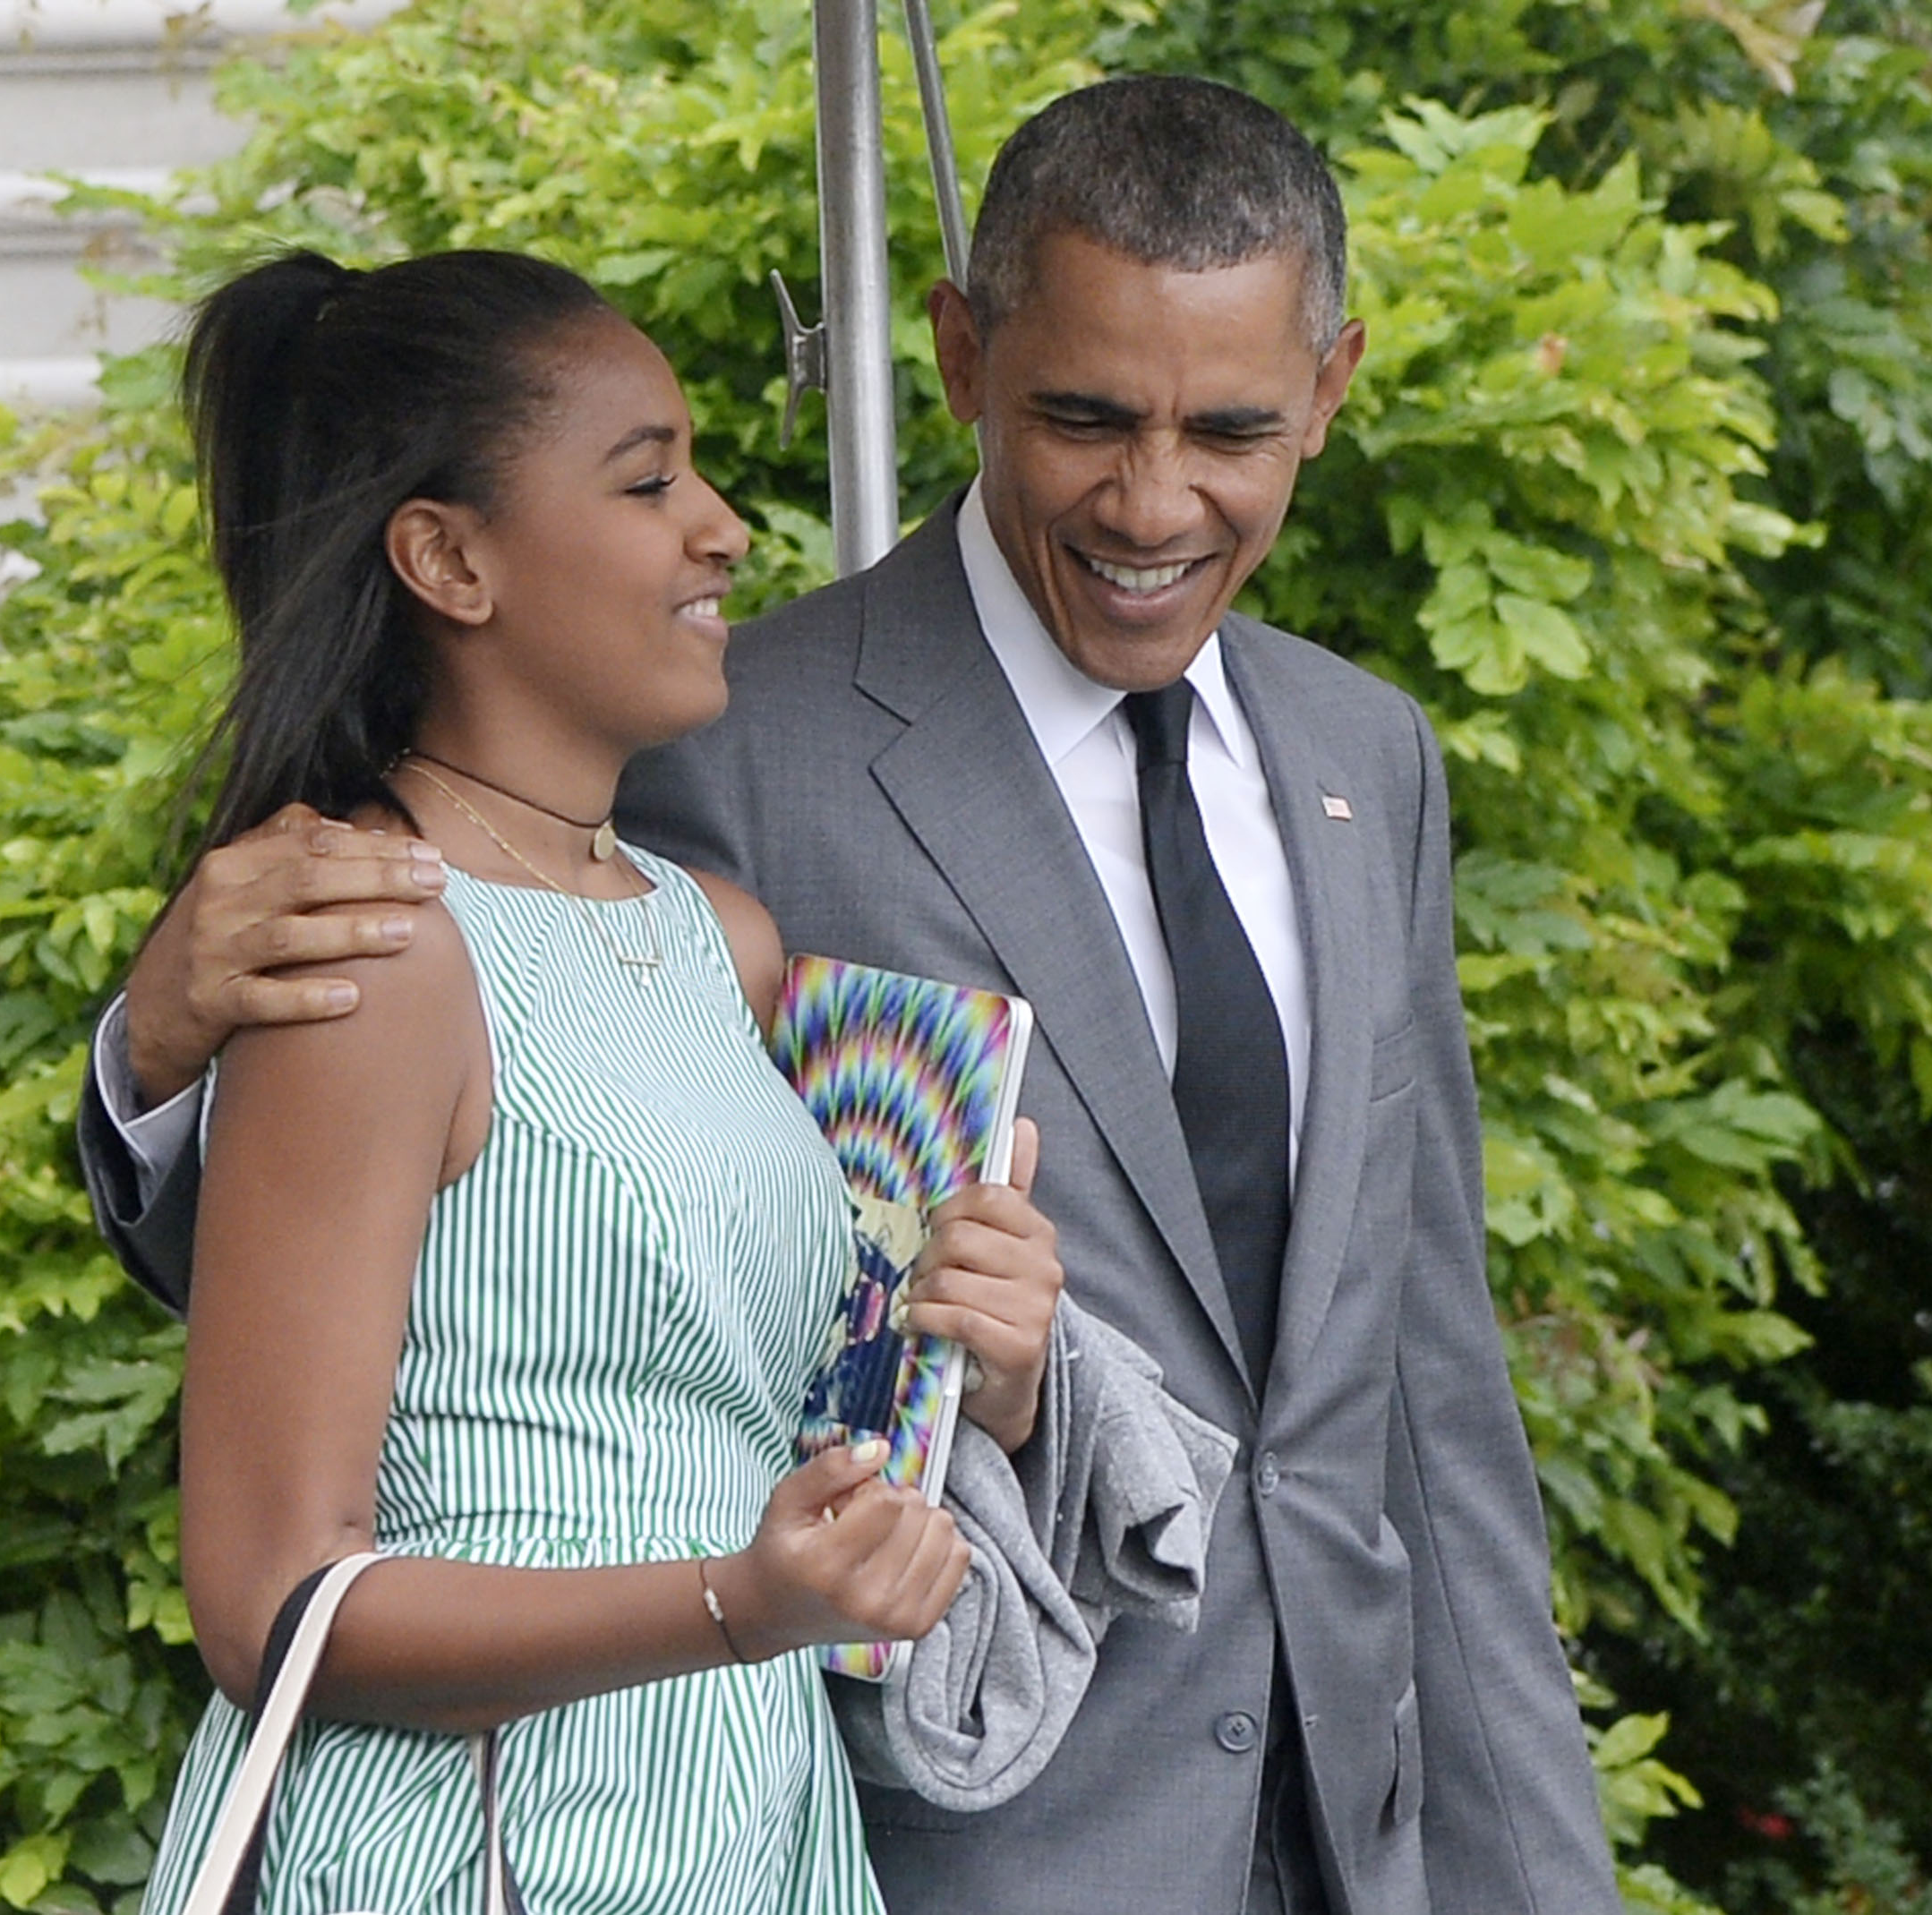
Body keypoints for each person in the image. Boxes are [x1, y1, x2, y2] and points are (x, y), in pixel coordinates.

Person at [83, 77, 1625, 1915]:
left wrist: (1531, 1872)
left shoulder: (1360, 755)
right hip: (858, 1836)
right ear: (961, 357)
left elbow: (1420, 1390)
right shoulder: (728, 749)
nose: (1155, 496)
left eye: (1228, 427)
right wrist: (151, 1051)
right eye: (1081, 416)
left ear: (1329, 388)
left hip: (1286, 1832)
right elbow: (444, 1274)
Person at [122, 244, 1067, 1915]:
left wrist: (969, 1364)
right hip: (469, 1852)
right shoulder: (377, 944)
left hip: (752, 1830)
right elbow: (272, 1600)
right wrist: (733, 1605)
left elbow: (765, 1424)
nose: (722, 527)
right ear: (448, 558)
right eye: (649, 482)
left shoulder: (729, 944)